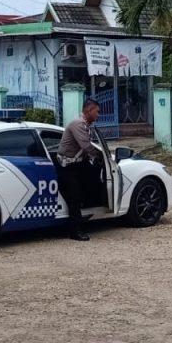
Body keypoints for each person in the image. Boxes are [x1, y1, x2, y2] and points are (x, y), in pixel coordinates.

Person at [55, 99, 103, 241]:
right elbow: (86, 146)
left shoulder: (86, 125)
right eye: (97, 111)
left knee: (94, 180)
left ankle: (91, 211)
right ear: (89, 110)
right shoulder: (78, 124)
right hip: (67, 166)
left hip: (78, 163)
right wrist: (101, 155)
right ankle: (75, 231)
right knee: (74, 197)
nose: (98, 115)